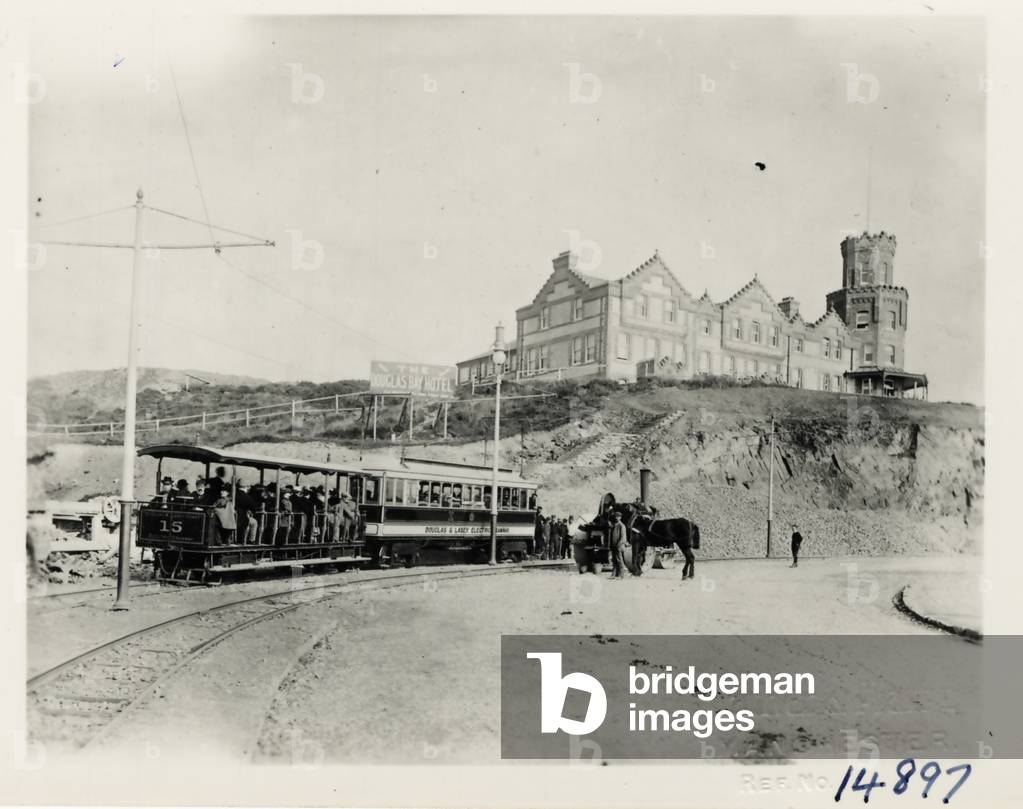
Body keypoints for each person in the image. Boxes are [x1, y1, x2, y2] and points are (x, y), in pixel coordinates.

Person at [609, 510, 628, 579]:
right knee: (614, 561)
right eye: (615, 516)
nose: (616, 518)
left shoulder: (621, 526)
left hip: (619, 546)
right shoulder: (614, 525)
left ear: (620, 517)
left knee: (619, 560)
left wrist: (618, 545)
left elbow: (623, 537)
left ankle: (621, 575)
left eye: (618, 516)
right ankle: (614, 575)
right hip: (614, 545)